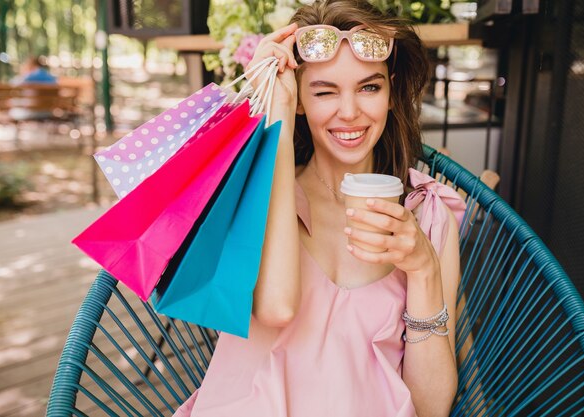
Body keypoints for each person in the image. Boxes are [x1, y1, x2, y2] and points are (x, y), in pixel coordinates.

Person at [175, 0, 466, 415]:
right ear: (299, 101)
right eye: (324, 91)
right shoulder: (255, 196)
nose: (349, 113)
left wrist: (422, 268)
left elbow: (431, 406)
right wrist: (274, 108)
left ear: (391, 91)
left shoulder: (430, 215)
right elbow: (276, 308)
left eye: (369, 87)